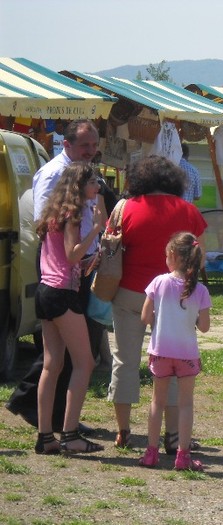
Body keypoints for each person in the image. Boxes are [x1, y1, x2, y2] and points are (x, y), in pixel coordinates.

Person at [6, 119, 104, 435]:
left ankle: (49, 426)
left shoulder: (80, 178)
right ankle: (62, 425)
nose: (92, 151)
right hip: (60, 272)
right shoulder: (55, 177)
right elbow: (44, 225)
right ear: (68, 145)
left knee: (57, 358)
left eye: (94, 144)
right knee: (79, 357)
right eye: (85, 145)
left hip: (66, 270)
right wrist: (91, 240)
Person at [109, 156, 207, 452]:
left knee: (124, 359)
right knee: (174, 363)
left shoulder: (124, 207)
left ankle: (124, 431)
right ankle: (173, 435)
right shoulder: (188, 210)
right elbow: (203, 249)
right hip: (175, 297)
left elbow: (108, 245)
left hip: (129, 291)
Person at [34, 162, 105, 454]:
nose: (98, 187)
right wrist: (97, 229)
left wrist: (91, 260)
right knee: (85, 363)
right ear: (80, 185)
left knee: (53, 365)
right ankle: (70, 434)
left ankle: (45, 437)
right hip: (62, 293)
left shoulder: (54, 212)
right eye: (93, 182)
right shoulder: (73, 215)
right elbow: (72, 254)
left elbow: (65, 260)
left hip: (46, 291)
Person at [139, 232, 211, 470]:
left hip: (161, 351)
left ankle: (151, 453)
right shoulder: (200, 290)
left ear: (171, 255)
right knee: (185, 404)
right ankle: (183, 456)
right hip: (187, 355)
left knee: (156, 402)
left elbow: (145, 317)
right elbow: (204, 327)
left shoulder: (158, 283)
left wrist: (159, 319)